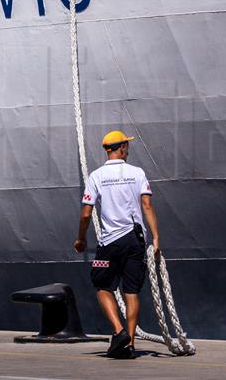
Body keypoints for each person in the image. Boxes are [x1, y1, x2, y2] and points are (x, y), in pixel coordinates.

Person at [73, 130, 160, 359]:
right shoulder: (137, 173)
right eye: (127, 145)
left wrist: (81, 239)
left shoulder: (96, 176)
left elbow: (85, 214)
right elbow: (147, 206)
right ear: (121, 147)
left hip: (110, 242)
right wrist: (156, 237)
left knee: (102, 287)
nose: (128, 149)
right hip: (136, 240)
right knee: (131, 292)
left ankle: (119, 332)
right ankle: (129, 344)